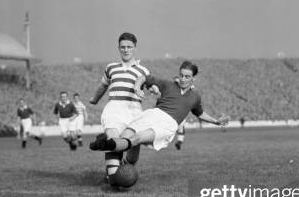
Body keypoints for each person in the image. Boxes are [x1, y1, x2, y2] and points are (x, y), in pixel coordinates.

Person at [89, 60, 229, 184]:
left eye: (187, 76)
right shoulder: (168, 84)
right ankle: (112, 160)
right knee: (125, 136)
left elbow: (200, 113)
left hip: (168, 124)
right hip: (152, 114)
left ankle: (106, 146)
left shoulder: (195, 97)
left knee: (137, 138)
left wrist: (216, 121)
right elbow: (144, 77)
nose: (183, 79)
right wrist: (137, 87)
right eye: (181, 75)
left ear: (194, 78)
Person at [89, 32, 150, 179]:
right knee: (113, 140)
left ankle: (124, 166)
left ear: (135, 48)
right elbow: (103, 86)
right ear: (118, 48)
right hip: (114, 108)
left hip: (134, 110)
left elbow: (152, 86)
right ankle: (113, 177)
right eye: (123, 47)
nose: (126, 49)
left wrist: (155, 90)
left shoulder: (144, 71)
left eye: (129, 47)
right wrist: (95, 99)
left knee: (133, 149)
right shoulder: (111, 67)